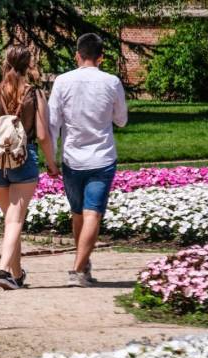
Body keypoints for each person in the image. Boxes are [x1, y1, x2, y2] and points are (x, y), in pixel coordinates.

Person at [0, 45, 59, 290]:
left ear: (5, 62)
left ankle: (17, 274)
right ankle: (4, 271)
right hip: (24, 159)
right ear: (29, 66)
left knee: (10, 219)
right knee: (15, 221)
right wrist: (52, 164)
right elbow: (42, 135)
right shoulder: (35, 94)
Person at [49, 33, 128, 287]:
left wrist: (50, 158)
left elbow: (53, 122)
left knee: (78, 213)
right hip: (102, 157)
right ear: (101, 57)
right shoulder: (111, 82)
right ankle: (79, 268)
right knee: (93, 212)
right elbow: (121, 119)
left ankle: (80, 265)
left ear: (77, 55)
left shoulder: (62, 82)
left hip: (72, 157)